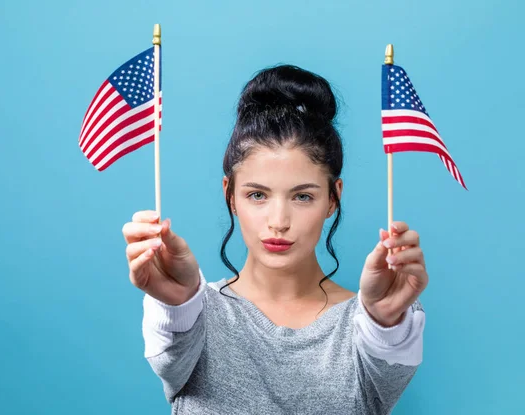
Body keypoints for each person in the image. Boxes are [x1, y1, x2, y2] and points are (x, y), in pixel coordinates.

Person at [122, 64, 427, 414]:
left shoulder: (372, 324)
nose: (279, 222)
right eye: (257, 195)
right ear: (230, 195)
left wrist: (384, 319)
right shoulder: (192, 313)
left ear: (333, 198)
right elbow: (170, 355)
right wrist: (178, 305)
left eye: (302, 197)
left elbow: (388, 364)